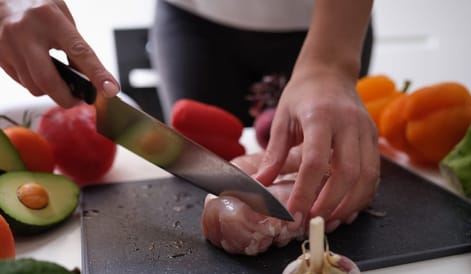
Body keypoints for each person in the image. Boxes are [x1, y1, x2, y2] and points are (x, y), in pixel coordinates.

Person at [0, 0, 380, 233]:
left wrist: (331, 61)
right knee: (206, 162)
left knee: (323, 156)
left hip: (325, 23)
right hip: (193, 17)